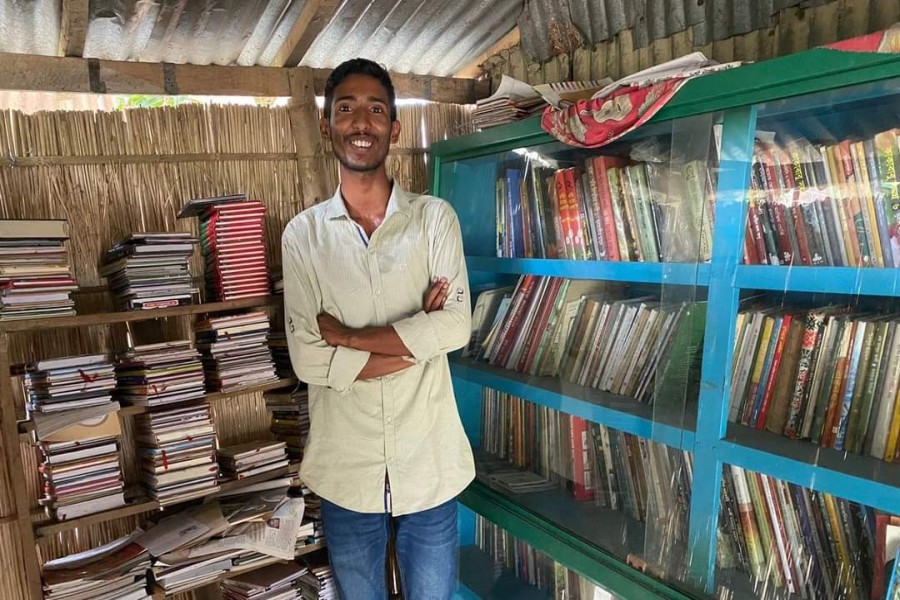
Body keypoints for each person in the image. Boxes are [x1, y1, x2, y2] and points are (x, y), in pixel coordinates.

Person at [281, 57, 475, 600]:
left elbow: (456, 327)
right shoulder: (303, 237)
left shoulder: (434, 219)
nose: (360, 122)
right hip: (347, 470)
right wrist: (418, 339)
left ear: (395, 128)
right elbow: (308, 360)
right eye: (345, 109)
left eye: (375, 109)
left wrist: (347, 338)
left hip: (430, 463)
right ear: (327, 127)